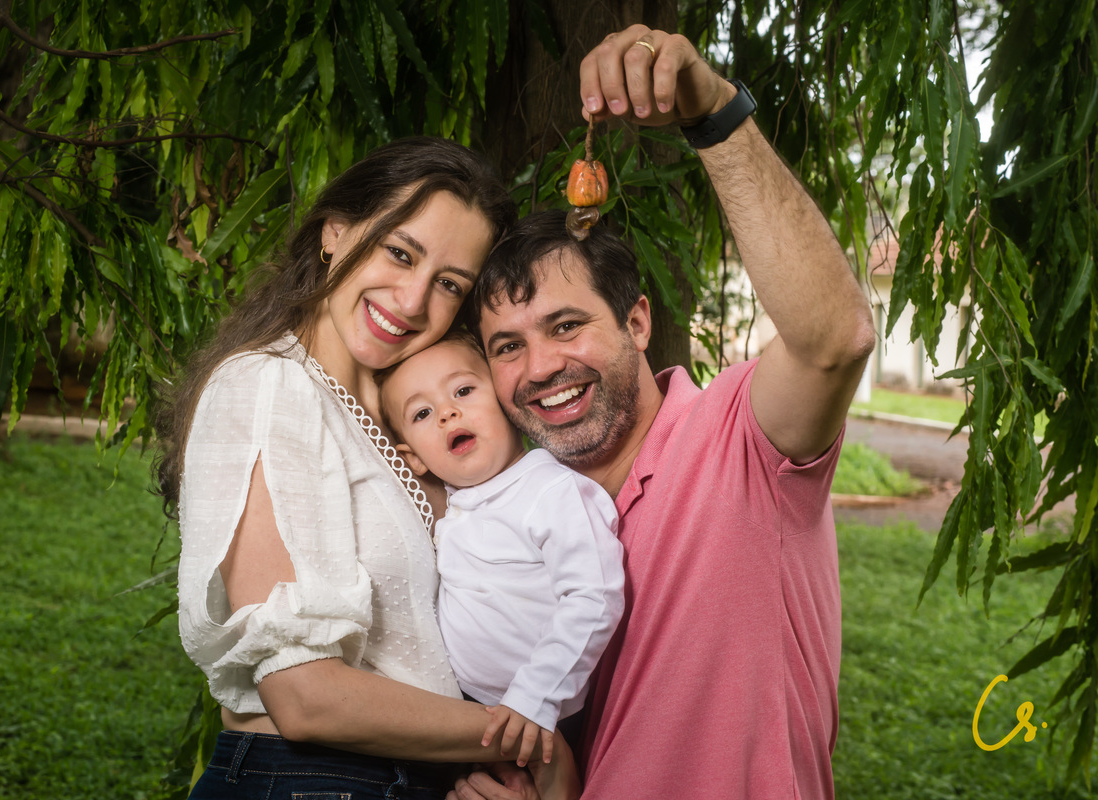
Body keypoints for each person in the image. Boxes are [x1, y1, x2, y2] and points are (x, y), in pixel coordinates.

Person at [448, 24, 876, 800]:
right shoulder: (518, 506)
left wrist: (709, 110)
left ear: (637, 322)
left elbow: (833, 340)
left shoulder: (740, 440)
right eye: (506, 347)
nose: (540, 368)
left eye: (567, 326)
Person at [154, 137, 582, 800]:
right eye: (400, 252)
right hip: (303, 779)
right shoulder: (270, 386)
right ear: (336, 232)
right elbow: (303, 693)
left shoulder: (405, 426)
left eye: (448, 285)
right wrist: (528, 740)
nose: (412, 300)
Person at [373, 331, 625, 767]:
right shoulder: (452, 512)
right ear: (413, 458)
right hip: (470, 720)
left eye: (464, 390)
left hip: (541, 711)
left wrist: (535, 697)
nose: (448, 412)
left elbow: (594, 595)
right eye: (423, 412)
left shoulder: (550, 491)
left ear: (507, 405)